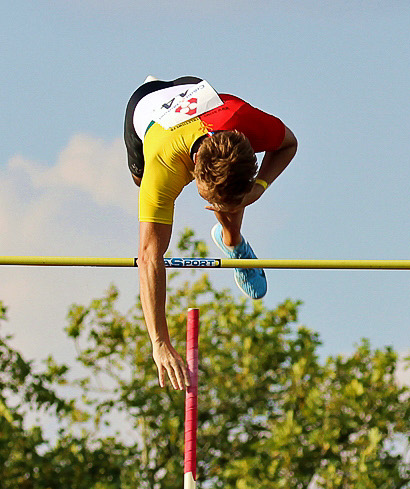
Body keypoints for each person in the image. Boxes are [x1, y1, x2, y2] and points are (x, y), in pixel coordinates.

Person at [124, 77, 298, 390]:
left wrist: (257, 189)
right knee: (141, 186)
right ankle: (228, 216)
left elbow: (289, 144)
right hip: (144, 109)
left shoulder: (243, 121)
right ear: (192, 173)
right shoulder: (162, 167)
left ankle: (232, 241)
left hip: (197, 96)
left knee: (231, 192)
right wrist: (159, 341)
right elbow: (149, 255)